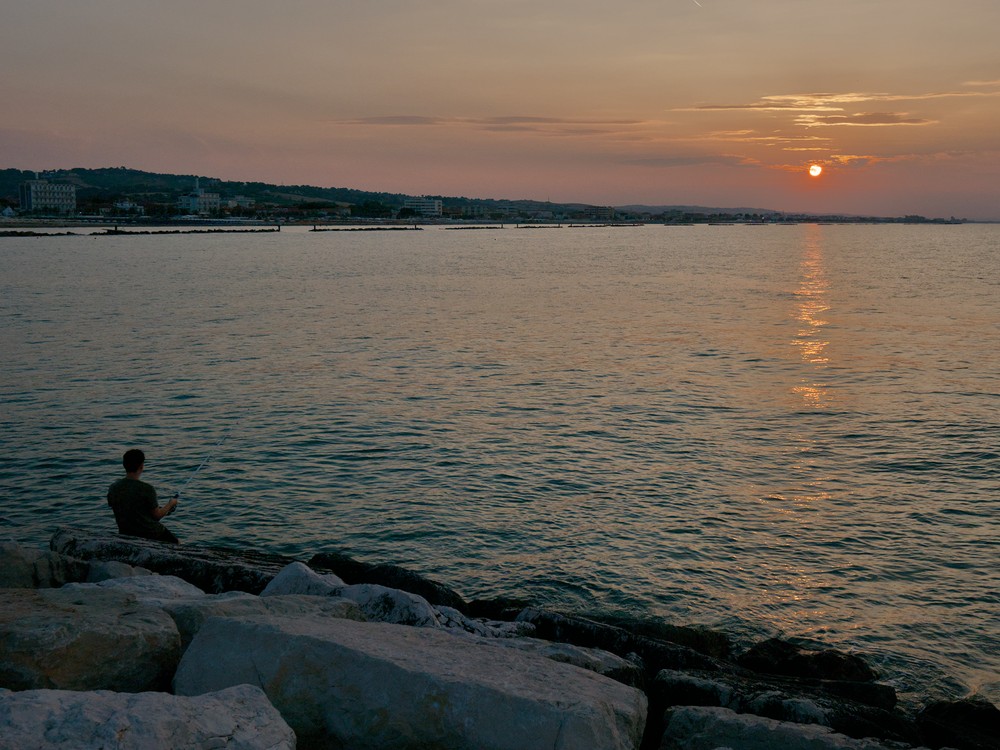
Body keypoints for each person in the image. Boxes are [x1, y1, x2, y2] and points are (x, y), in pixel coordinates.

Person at [107, 448, 179, 544]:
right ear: (141, 466)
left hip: (126, 532)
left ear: (124, 465)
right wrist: (170, 504)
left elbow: (130, 509)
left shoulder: (113, 487)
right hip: (151, 533)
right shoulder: (147, 489)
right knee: (176, 543)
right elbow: (157, 516)